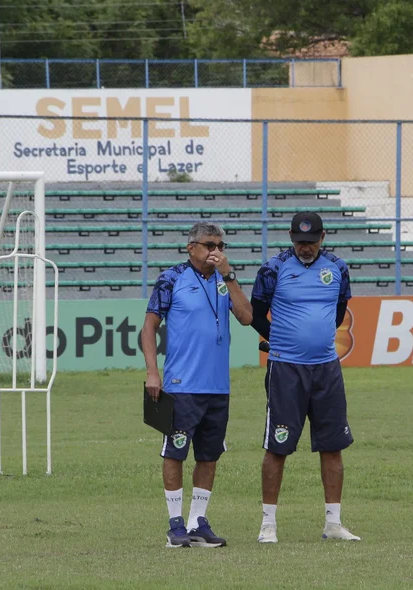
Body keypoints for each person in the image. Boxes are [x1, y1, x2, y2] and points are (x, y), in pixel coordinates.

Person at [250, 211, 361, 543]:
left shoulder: (338, 268)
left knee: (333, 445)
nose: (305, 248)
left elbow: (339, 311)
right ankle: (268, 524)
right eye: (299, 242)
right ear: (290, 238)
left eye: (311, 242)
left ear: (322, 239)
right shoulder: (273, 269)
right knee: (277, 446)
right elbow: (255, 313)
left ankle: (333, 523)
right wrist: (279, 337)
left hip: (327, 368)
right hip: (286, 369)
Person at [141, 222, 253, 548]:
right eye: (209, 245)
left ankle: (197, 522)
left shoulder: (224, 279)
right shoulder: (171, 278)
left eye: (220, 245)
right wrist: (153, 372)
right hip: (181, 384)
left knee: (209, 455)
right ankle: (175, 524)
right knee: (175, 452)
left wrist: (230, 276)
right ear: (192, 248)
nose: (215, 251)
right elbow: (148, 328)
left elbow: (247, 317)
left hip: (217, 386)